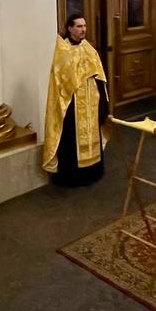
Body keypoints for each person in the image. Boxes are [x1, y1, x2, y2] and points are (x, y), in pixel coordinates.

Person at [42, 15, 109, 186]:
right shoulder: (62, 51)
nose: (83, 29)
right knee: (71, 137)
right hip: (72, 102)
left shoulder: (88, 48)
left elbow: (99, 75)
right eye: (79, 26)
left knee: (92, 133)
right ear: (70, 28)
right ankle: (73, 177)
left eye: (84, 26)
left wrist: (103, 102)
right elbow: (59, 80)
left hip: (91, 100)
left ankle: (93, 171)